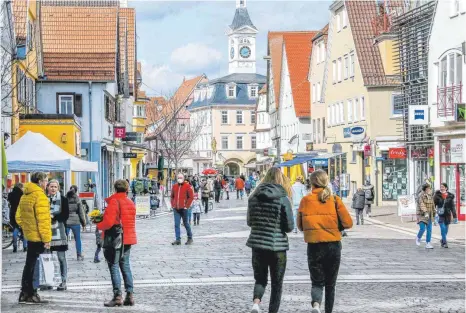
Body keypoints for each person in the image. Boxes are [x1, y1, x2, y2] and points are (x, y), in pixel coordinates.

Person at [297, 170, 353, 313]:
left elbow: (300, 226)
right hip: (333, 245)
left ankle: (316, 305)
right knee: (330, 284)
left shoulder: (305, 200)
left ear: (311, 182)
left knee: (317, 282)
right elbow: (348, 223)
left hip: (314, 246)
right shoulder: (334, 200)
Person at [246, 167, 294, 313]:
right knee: (277, 284)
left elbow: (249, 222)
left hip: (258, 245)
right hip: (277, 247)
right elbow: (289, 226)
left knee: (260, 279)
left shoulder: (253, 197)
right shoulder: (283, 198)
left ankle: (256, 303)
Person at [97, 180, 137, 307]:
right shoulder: (130, 202)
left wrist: (98, 224)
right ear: (126, 189)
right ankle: (130, 295)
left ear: (115, 188)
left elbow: (108, 222)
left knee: (113, 265)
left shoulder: (114, 201)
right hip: (128, 238)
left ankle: (117, 296)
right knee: (125, 265)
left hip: (115, 238)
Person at [16, 172, 52, 304]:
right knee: (34, 265)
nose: (46, 183)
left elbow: (18, 217)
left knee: (29, 264)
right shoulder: (40, 196)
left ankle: (24, 292)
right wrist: (47, 239)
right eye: (46, 181)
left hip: (30, 235)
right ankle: (31, 293)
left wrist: (27, 227)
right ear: (40, 181)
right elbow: (43, 220)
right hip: (38, 236)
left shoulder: (25, 195)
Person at [47, 180, 70, 291]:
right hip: (46, 233)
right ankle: (49, 281)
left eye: (55, 187)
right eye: (51, 186)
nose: (53, 188)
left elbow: (65, 214)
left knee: (61, 258)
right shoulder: (43, 199)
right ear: (48, 187)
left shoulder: (63, 199)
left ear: (58, 188)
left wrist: (53, 217)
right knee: (48, 258)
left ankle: (63, 281)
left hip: (59, 234)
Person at [171, 173, 194, 245]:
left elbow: (191, 197)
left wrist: (186, 206)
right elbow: (172, 197)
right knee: (176, 224)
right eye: (178, 178)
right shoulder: (174, 186)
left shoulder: (187, 186)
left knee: (186, 223)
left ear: (183, 178)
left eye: (181, 178)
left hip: (184, 209)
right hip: (176, 208)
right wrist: (173, 205)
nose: (179, 179)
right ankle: (178, 239)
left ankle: (190, 238)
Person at [433, 183, 457, 248]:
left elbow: (452, 207)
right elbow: (433, 205)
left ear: (446, 188)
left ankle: (442, 240)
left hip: (448, 215)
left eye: (443, 187)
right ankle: (445, 242)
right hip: (440, 215)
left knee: (446, 230)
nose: (441, 188)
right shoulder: (437, 195)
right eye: (441, 187)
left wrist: (455, 216)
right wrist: (433, 213)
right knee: (443, 228)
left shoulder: (450, 196)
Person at [65, 185, 86, 261]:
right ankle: (79, 255)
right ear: (76, 191)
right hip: (76, 222)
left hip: (66, 222)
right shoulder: (77, 199)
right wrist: (83, 223)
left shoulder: (65, 198)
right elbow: (81, 213)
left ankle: (62, 255)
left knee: (64, 239)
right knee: (78, 239)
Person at [8, 183, 27, 253]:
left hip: (13, 214)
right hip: (21, 214)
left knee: (15, 230)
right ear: (20, 187)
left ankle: (15, 247)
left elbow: (9, 204)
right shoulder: (23, 195)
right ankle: (25, 247)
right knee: (24, 231)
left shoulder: (10, 194)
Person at [416, 183, 435, 249]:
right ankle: (418, 237)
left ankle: (428, 243)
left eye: (430, 188)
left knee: (429, 230)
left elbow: (432, 206)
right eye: (428, 188)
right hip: (421, 215)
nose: (429, 189)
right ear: (426, 189)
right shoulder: (420, 196)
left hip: (429, 215)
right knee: (422, 229)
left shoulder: (430, 196)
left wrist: (434, 214)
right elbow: (422, 204)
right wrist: (425, 212)